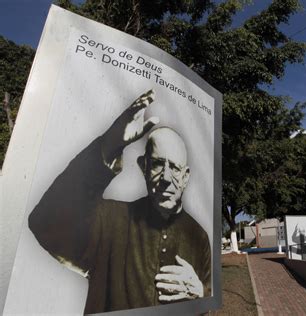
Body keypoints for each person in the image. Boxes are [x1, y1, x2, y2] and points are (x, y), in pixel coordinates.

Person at [28, 90, 211, 314]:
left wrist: (201, 294)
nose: (165, 178)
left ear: (185, 176)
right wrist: (110, 144)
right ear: (143, 167)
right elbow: (46, 221)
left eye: (174, 168)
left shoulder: (199, 237)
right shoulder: (110, 219)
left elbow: (206, 307)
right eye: (157, 165)